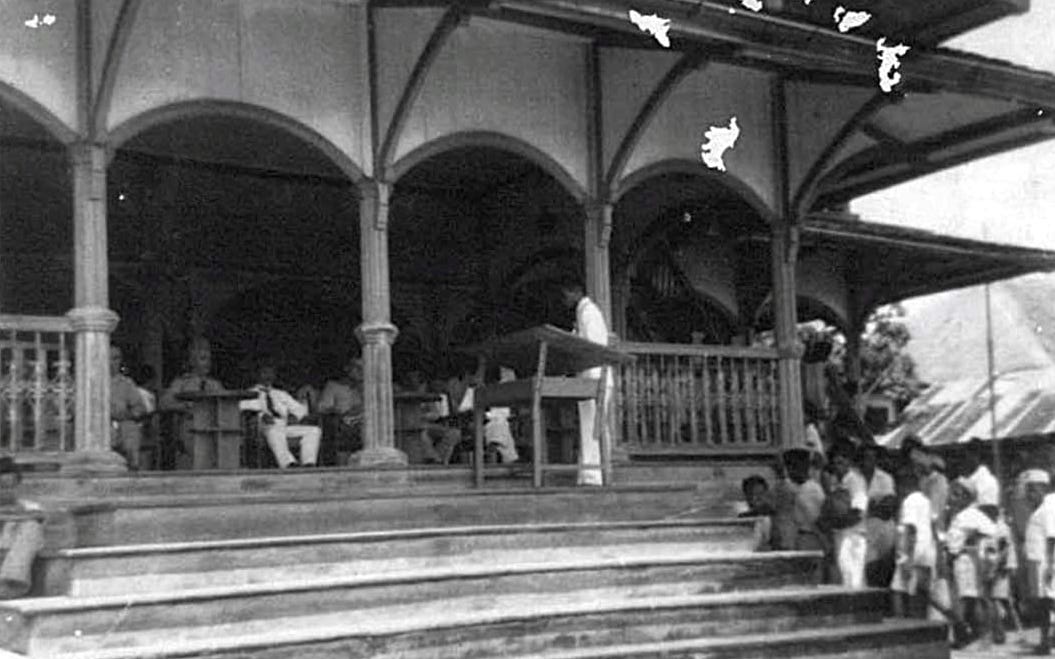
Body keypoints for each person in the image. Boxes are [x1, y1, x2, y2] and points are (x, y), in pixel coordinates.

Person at [559, 279, 610, 487]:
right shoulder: (582, 313)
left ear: (576, 291)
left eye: (565, 295)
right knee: (590, 427)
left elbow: (596, 346)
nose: (564, 301)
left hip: (595, 377)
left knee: (592, 428)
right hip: (587, 377)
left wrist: (574, 341)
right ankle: (589, 473)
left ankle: (593, 475)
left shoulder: (589, 312)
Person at [946, 477, 998, 650]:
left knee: (967, 599)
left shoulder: (971, 515)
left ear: (967, 497)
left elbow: (993, 533)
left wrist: (977, 545)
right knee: (967, 598)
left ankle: (969, 634)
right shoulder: (959, 515)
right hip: (959, 559)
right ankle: (973, 633)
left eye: (957, 494)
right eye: (952, 494)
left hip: (966, 560)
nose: (952, 498)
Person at [159, 338, 226, 470]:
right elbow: (164, 403)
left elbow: (226, 404)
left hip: (215, 425)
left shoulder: (215, 384)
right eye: (202, 359)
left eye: (209, 359)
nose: (207, 364)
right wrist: (184, 406)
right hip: (191, 424)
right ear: (192, 361)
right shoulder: (182, 383)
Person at [240, 362, 321, 469]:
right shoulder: (249, 393)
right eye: (264, 373)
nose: (268, 376)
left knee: (314, 430)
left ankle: (308, 463)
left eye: (271, 373)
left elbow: (300, 410)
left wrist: (295, 417)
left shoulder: (281, 394)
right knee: (274, 429)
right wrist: (261, 416)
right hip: (262, 427)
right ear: (257, 375)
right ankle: (289, 464)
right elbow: (244, 409)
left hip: (284, 425)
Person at [891, 464, 935, 619]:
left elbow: (910, 529)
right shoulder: (926, 501)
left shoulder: (909, 501)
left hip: (912, 552)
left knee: (898, 590)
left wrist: (907, 558)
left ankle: (902, 628)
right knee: (920, 593)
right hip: (926, 552)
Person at [824, 441, 870, 589]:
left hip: (854, 536)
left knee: (855, 579)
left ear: (849, 461)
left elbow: (858, 511)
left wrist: (838, 522)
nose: (838, 466)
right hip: (840, 535)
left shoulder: (856, 480)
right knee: (844, 577)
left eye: (841, 462)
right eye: (835, 462)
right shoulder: (835, 481)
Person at [0, 457, 44, 599]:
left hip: (13, 562)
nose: (6, 491)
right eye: (1, 486)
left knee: (32, 526)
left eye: (10, 486)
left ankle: (10, 583)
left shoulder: (30, 508)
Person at [1022, 468, 1054, 654]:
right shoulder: (1040, 509)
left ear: (1043, 488)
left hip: (1045, 563)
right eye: (1028, 490)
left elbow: (1052, 538)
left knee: (1047, 603)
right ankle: (1045, 640)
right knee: (1042, 603)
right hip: (1037, 562)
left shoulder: (1048, 509)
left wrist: (1050, 565)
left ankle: (1045, 642)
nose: (1029, 495)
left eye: (1032, 490)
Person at [770, 449, 827, 553]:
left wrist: (826, 543)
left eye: (791, 467)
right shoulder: (801, 487)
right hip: (802, 536)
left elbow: (816, 521)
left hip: (811, 537)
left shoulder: (809, 490)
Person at [317, 357, 365, 462]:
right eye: (357, 368)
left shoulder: (368, 386)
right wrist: (339, 410)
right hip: (345, 420)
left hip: (364, 418)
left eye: (363, 368)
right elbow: (323, 407)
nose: (361, 372)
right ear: (347, 369)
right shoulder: (333, 386)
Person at [110, 345, 149, 470]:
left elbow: (140, 408)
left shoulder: (126, 383)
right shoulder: (88, 380)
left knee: (131, 429)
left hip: (121, 424)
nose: (111, 362)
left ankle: (133, 469)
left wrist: (127, 415)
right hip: (96, 426)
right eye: (108, 358)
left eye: (115, 358)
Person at [963, 437, 1000, 515]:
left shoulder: (982, 480)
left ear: (974, 456)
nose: (966, 460)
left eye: (967, 456)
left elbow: (987, 509)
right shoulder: (990, 478)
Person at [739, 474, 772, 551]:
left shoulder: (775, 516)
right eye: (750, 495)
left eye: (759, 494)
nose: (754, 498)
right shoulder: (743, 519)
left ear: (767, 494)